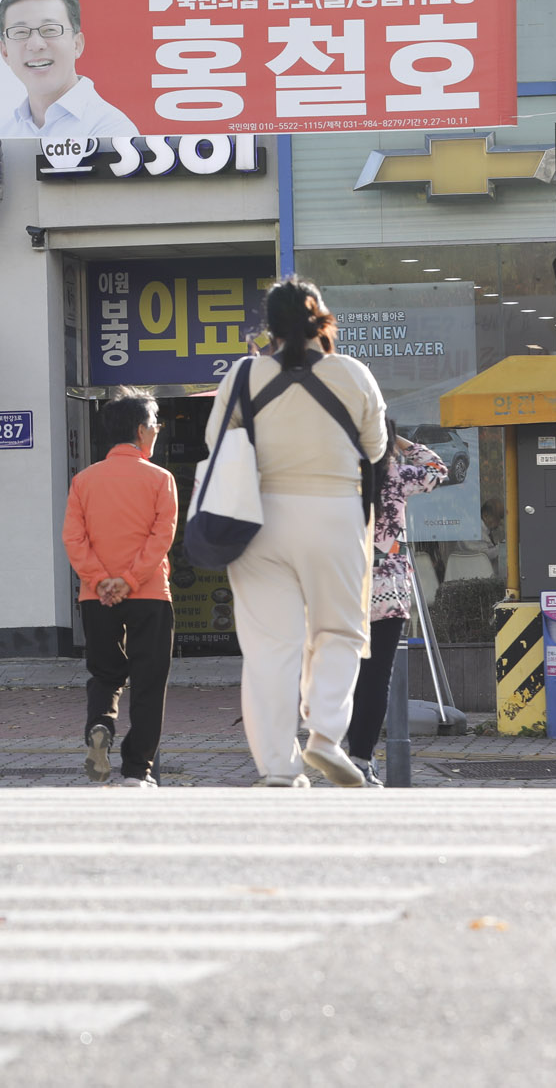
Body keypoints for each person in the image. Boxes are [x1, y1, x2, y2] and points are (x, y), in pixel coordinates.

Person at [207, 278, 386, 787]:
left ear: (271, 325)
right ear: (321, 320)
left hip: (258, 518)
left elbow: (215, 442)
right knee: (339, 631)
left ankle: (278, 768)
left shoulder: (242, 376)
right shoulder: (352, 374)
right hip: (334, 515)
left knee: (270, 646)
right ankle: (326, 736)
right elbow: (374, 449)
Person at [62, 388, 178, 787]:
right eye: (156, 424)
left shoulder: (84, 481)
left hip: (97, 597)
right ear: (143, 430)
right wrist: (129, 580)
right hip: (149, 594)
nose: (158, 430)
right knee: (149, 681)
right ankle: (136, 771)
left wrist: (101, 581)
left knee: (105, 672)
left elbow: (74, 539)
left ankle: (100, 726)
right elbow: (161, 537)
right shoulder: (161, 479)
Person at [344, 418, 449, 786]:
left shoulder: (339, 477)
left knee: (344, 676)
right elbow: (438, 468)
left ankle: (334, 749)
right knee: (376, 680)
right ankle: (360, 758)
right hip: (388, 593)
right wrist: (402, 442)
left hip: (343, 589)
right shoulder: (399, 475)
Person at [0, 0, 139, 141]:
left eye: (50, 30)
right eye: (20, 32)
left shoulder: (113, 130)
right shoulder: (0, 135)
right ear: (4, 52)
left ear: (77, 45)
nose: (35, 45)